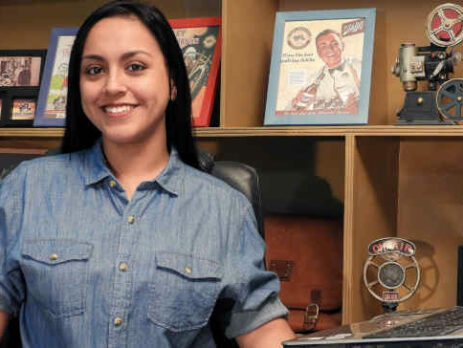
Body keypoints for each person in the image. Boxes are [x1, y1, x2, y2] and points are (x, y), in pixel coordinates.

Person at [0, 1, 295, 347]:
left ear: (172, 82)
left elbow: (262, 328)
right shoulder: (27, 188)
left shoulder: (224, 208)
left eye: (135, 67)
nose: (112, 85)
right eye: (94, 70)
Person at [291, 29, 361, 114]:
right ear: (318, 52)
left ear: (342, 46)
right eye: (323, 46)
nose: (330, 49)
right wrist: (296, 106)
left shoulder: (359, 66)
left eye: (334, 44)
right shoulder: (314, 78)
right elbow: (294, 111)